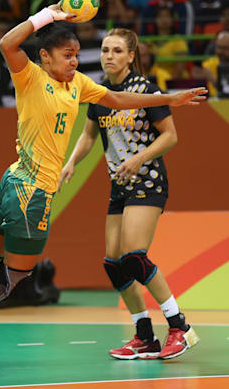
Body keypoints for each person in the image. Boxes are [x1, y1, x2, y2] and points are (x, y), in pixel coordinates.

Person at [0, 3, 206, 365]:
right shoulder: (30, 77)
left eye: (77, 55)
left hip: (15, 183)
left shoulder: (79, 84)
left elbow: (118, 99)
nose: (75, 61)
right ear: (44, 57)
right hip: (32, 194)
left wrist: (169, 98)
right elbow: (7, 44)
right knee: (7, 283)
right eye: (66, 55)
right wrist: (46, 15)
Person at [60, 28, 199, 360]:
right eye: (105, 50)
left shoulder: (145, 92)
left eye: (117, 51)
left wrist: (139, 158)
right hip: (119, 185)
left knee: (134, 256)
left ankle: (179, 327)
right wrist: (71, 163)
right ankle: (144, 335)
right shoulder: (99, 94)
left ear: (131, 56)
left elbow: (170, 136)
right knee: (114, 264)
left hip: (148, 181)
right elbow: (89, 136)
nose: (109, 56)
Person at [191, 29, 229, 96]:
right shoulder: (208, 65)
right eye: (219, 47)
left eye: (226, 48)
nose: (220, 52)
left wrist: (215, 82)